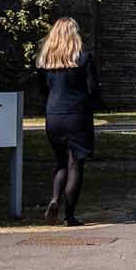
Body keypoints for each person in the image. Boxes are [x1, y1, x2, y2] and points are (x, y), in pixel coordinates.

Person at [35, 17, 100, 225]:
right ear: (75, 35)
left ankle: (55, 198)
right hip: (77, 115)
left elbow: (43, 90)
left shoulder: (45, 62)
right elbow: (93, 89)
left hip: (53, 115)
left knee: (60, 162)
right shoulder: (83, 59)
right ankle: (69, 215)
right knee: (76, 164)